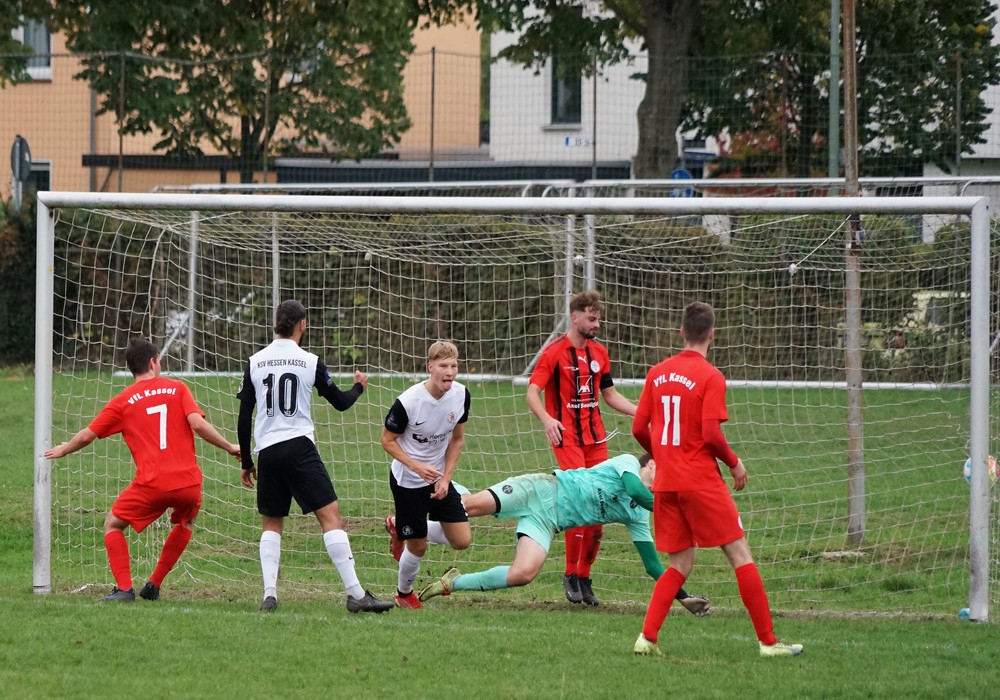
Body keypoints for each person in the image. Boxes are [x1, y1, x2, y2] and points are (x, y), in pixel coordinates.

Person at [631, 301, 803, 658]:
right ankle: (769, 643)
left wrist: (664, 456)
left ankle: (646, 639)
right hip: (699, 480)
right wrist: (735, 464)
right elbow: (710, 434)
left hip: (666, 483)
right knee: (740, 554)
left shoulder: (656, 373)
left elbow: (637, 428)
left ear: (682, 332)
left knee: (680, 564)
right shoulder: (710, 376)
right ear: (712, 334)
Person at [44, 337, 241, 602]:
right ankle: (153, 585)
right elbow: (197, 424)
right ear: (152, 362)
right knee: (186, 522)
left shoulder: (123, 401)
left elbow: (87, 435)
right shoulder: (178, 388)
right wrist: (229, 446)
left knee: (113, 524)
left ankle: (125, 589)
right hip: (188, 483)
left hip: (152, 484)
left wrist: (64, 449)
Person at [236, 299, 392, 614]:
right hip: (299, 448)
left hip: (267, 452)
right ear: (302, 325)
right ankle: (356, 595)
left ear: (275, 325)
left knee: (271, 523)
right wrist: (359, 387)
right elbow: (341, 402)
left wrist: (248, 462)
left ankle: (270, 595)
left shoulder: (255, 361)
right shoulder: (310, 361)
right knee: (331, 517)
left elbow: (243, 417)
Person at [416, 453, 710, 618]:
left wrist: (683, 597)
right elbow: (634, 489)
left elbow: (652, 565)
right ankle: (434, 480)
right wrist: (668, 509)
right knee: (467, 507)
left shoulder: (638, 514)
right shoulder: (628, 464)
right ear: (652, 463)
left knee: (523, 573)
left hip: (548, 522)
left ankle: (452, 582)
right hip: (539, 489)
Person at [526, 289, 637, 606]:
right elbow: (532, 393)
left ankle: (585, 577)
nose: (596, 324)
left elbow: (610, 396)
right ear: (575, 318)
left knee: (601, 506)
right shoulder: (554, 352)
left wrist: (642, 413)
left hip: (596, 440)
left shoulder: (600, 352)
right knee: (581, 502)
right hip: (567, 439)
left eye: (598, 318)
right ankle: (570, 574)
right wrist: (548, 420)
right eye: (591, 318)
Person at [381, 340, 472, 609]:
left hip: (438, 479)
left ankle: (400, 525)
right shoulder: (408, 402)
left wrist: (445, 478)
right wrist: (417, 466)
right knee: (418, 547)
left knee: (462, 540)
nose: (449, 372)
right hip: (408, 481)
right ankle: (403, 594)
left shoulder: (462, 395)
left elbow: (457, 439)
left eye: (454, 366)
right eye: (443, 366)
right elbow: (387, 441)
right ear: (430, 367)